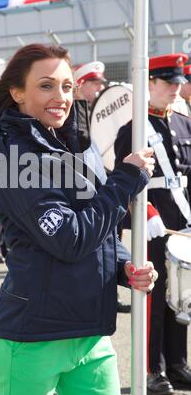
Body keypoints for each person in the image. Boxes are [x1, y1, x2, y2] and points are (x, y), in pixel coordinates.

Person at [0, 43, 158, 395]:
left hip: (91, 336)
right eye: (45, 85)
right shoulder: (10, 157)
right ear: (17, 92)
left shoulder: (78, 142)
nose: (60, 96)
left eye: (66, 86)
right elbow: (69, 237)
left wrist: (124, 266)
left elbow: (98, 226)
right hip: (33, 339)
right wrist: (125, 179)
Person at [114, 53, 191, 395]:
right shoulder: (133, 129)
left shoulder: (184, 123)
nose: (175, 89)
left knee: (182, 293)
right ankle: (152, 368)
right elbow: (123, 180)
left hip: (184, 219)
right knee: (156, 295)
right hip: (154, 219)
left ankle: (177, 363)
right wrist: (146, 216)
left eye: (178, 83)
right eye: (168, 83)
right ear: (150, 84)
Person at [74, 61, 131, 313]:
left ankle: (110, 290)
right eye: (94, 83)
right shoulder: (75, 110)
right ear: (80, 84)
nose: (99, 88)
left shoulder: (91, 108)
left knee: (112, 237)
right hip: (84, 183)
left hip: (102, 176)